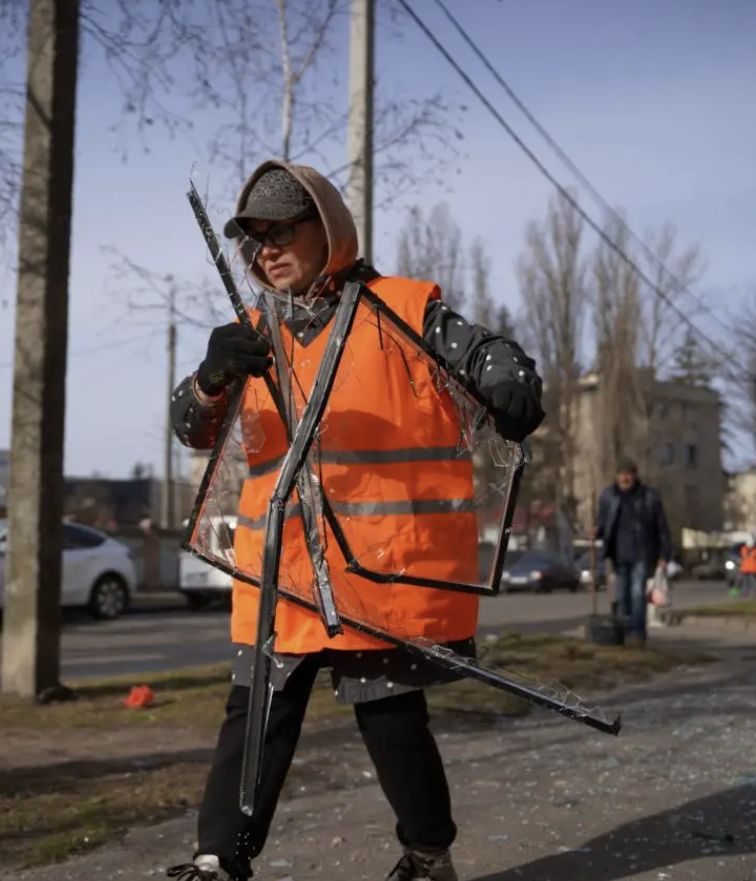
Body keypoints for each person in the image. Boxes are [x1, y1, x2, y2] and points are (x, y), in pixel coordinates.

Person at [165, 160, 545, 881]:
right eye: (253, 238)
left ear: (329, 230)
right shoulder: (247, 335)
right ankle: (218, 862)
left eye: (282, 231)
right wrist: (211, 375)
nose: (265, 250)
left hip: (380, 571)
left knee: (391, 722)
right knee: (253, 723)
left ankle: (428, 856)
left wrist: (508, 383)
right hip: (278, 572)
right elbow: (189, 424)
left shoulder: (402, 309)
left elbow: (492, 355)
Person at [593, 457, 671, 649]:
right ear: (617, 476)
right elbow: (603, 522)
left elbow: (662, 529)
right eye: (622, 475)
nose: (625, 479)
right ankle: (622, 632)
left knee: (637, 594)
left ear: (635, 476)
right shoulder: (609, 496)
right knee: (621, 597)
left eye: (628, 475)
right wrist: (596, 531)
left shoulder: (650, 497)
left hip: (642, 553)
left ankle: (637, 633)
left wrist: (663, 555)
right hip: (618, 555)